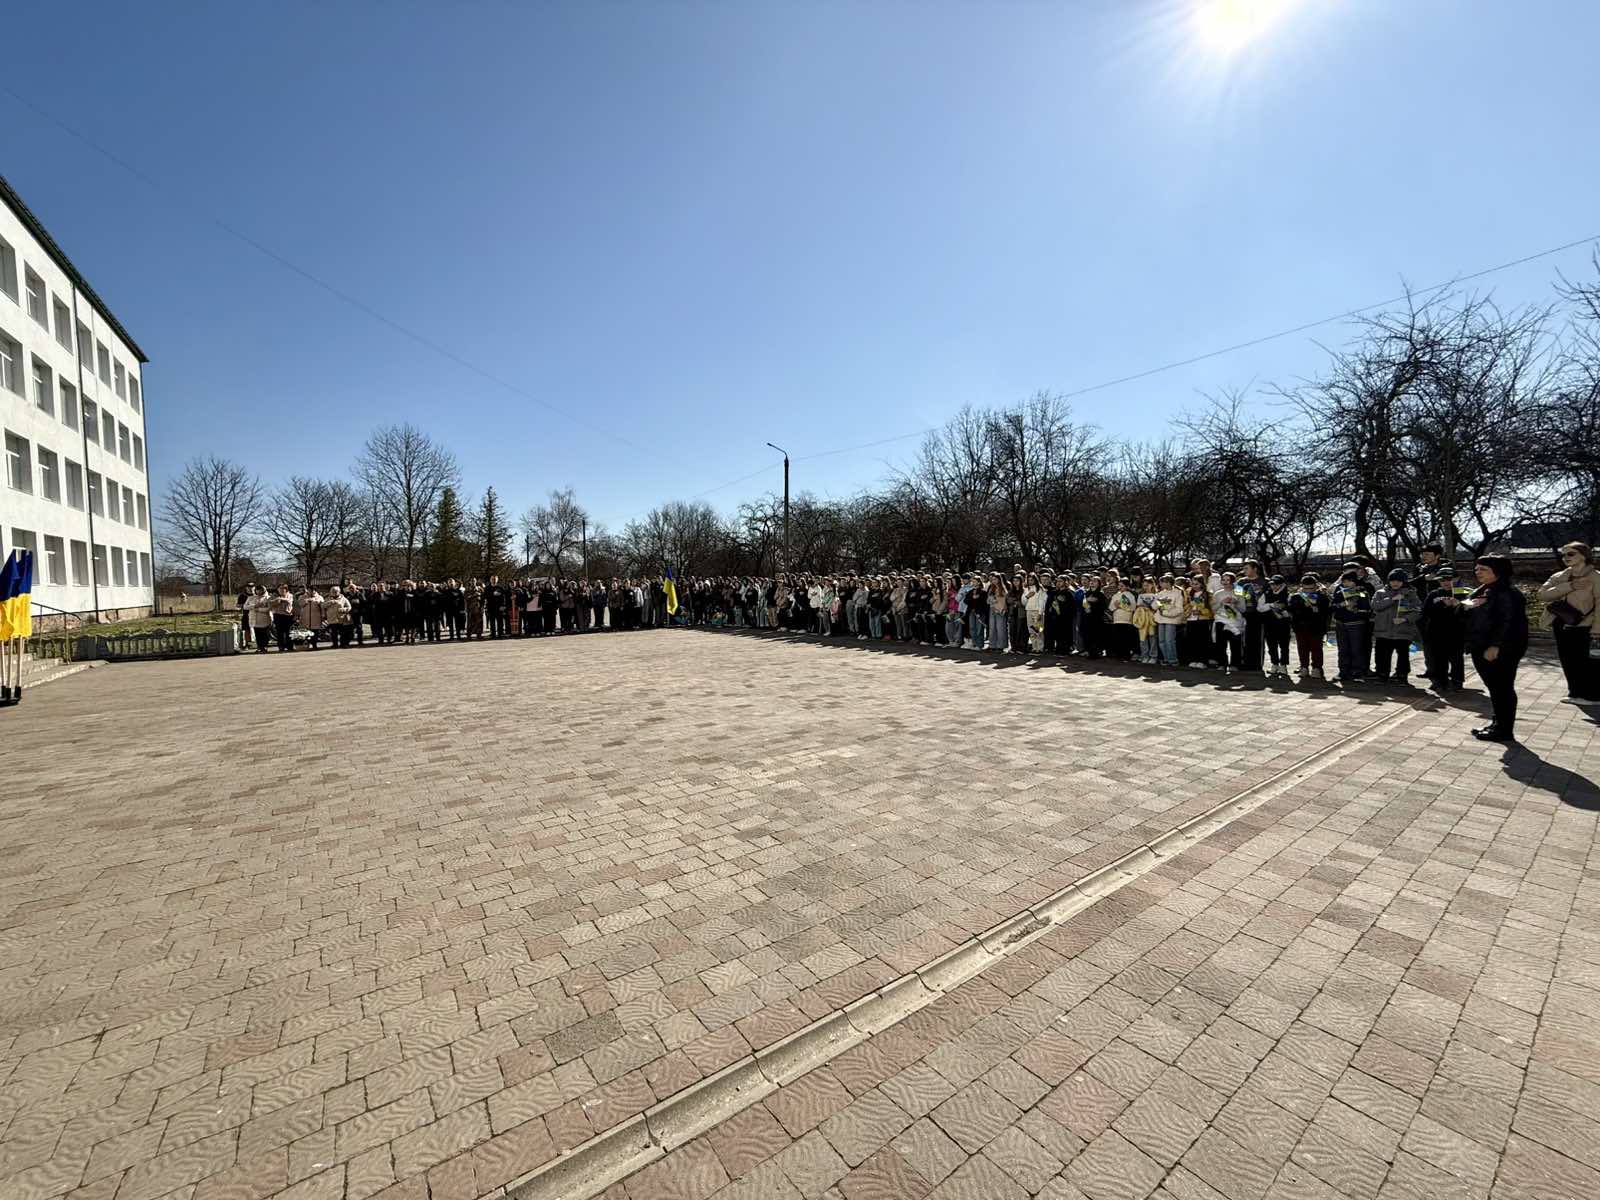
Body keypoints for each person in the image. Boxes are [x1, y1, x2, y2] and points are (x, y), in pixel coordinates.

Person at [1464, 555, 1528, 742]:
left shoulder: (1508, 593)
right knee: (1495, 687)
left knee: (1502, 688)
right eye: (1476, 569)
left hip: (1500, 649)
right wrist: (1462, 607)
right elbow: (1465, 611)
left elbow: (1509, 623)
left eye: (1483, 569)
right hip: (1479, 645)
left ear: (1498, 571)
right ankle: (1497, 723)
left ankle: (1504, 730)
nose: (1478, 572)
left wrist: (1495, 645)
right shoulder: (1482, 590)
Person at [1537, 542, 1598, 704]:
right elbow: (1542, 595)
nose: (1565, 558)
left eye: (1570, 554)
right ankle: (1575, 693)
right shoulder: (1560, 576)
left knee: (1585, 662)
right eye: (1563, 555)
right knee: (1567, 660)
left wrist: (1597, 629)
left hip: (1585, 627)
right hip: (1561, 623)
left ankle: (1591, 695)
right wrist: (1569, 586)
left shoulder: (1596, 577)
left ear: (1584, 555)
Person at [1417, 566, 1466, 693]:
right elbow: (1425, 613)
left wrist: (1458, 606)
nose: (1446, 582)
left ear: (1455, 579)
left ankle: (1457, 681)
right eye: (1442, 580)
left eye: (1449, 579)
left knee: (1456, 659)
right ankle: (1440, 681)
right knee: (1438, 659)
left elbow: (1470, 613)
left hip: (1456, 633)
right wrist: (1442, 605)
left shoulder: (1463, 593)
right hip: (1436, 633)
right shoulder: (1434, 594)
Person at [1370, 568, 1419, 685]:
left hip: (1403, 631)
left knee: (1402, 655)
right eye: (1392, 581)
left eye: (1398, 581)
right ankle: (1382, 674)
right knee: (1383, 654)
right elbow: (1375, 606)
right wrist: (1391, 599)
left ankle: (1401, 675)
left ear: (1404, 582)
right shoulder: (1380, 593)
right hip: (1383, 631)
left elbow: (1418, 610)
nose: (1395, 583)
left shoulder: (1411, 594)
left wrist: (1404, 619)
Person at [1330, 569, 1374, 684]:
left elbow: (1367, 608)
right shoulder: (1339, 591)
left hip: (1356, 624)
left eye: (1349, 581)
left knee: (1357, 649)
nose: (1346, 584)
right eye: (1344, 582)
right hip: (1341, 624)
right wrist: (1341, 604)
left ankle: (1357, 672)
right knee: (1343, 649)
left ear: (1355, 581)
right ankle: (1343, 671)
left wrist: (1356, 610)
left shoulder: (1362, 591)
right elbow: (1332, 606)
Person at [1288, 574, 1331, 679]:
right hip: (1300, 627)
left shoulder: (1322, 597)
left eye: (1311, 588)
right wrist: (1302, 607)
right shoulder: (1296, 597)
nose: (1308, 591)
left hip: (1316, 627)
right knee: (1302, 648)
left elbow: (1327, 612)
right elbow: (1291, 610)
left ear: (1316, 586)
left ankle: (1317, 668)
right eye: (1305, 588)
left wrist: (1317, 610)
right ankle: (1304, 667)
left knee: (1316, 648)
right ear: (1301, 586)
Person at [1259, 575, 1293, 678]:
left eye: (1276, 584)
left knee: (1284, 645)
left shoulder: (1288, 595)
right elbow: (1259, 608)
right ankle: (1274, 664)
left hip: (1283, 624)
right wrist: (1271, 605)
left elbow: (1292, 611)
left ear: (1282, 584)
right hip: (1269, 623)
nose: (1274, 586)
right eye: (1272, 584)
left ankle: (1283, 665)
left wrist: (1284, 611)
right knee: (1271, 645)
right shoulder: (1266, 594)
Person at [1211, 573, 1245, 675]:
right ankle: (1222, 664)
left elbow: (1243, 608)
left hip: (1235, 621)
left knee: (1235, 643)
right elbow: (1213, 609)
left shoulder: (1239, 591)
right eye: (1223, 580)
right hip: (1221, 620)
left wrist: (1236, 602)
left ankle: (1235, 664)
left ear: (1233, 581)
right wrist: (1221, 603)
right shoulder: (1217, 593)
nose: (1225, 582)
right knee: (1221, 643)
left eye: (1228, 580)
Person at [1153, 574, 1186, 668]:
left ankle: (1173, 660)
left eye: (1162, 582)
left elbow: (1179, 609)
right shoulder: (1160, 593)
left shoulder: (1178, 593)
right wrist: (1159, 604)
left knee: (1169, 640)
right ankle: (1166, 659)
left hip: (1171, 620)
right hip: (1161, 619)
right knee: (1162, 641)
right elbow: (1155, 606)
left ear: (1168, 583)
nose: (1160, 584)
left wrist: (1167, 612)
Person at [245, 584, 272, 653]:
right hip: (254, 619)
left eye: (260, 590)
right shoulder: (251, 598)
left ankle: (264, 647)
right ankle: (259, 647)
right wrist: (254, 606)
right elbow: (245, 607)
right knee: (258, 634)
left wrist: (259, 609)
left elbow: (269, 608)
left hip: (265, 618)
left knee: (265, 634)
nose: (259, 591)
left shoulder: (268, 598)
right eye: (257, 590)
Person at [268, 584, 296, 651]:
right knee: (279, 632)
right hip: (278, 615)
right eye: (280, 588)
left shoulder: (290, 595)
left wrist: (280, 599)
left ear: (286, 589)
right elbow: (270, 603)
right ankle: (281, 646)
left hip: (288, 615)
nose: (281, 590)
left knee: (288, 632)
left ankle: (290, 646)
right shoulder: (273, 596)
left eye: (283, 588)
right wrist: (277, 601)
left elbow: (289, 602)